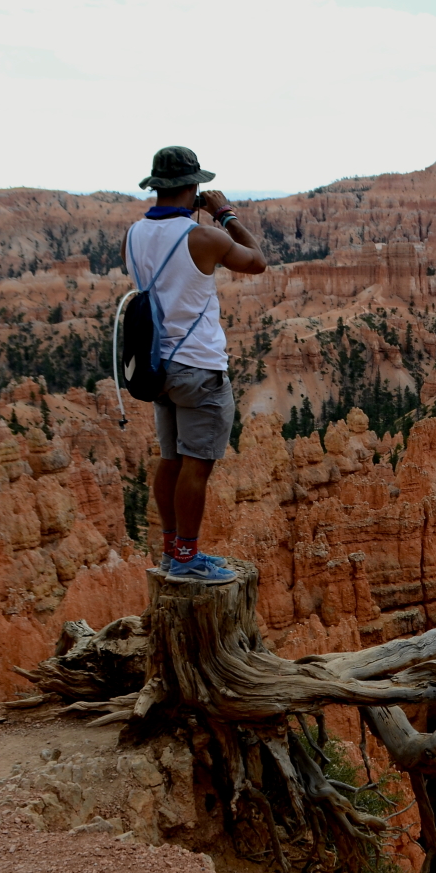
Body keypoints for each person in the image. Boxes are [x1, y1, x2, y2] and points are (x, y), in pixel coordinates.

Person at [126, 146, 268, 584]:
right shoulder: (201, 236)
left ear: (156, 187)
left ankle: (171, 551)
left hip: (157, 367)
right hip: (199, 368)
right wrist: (224, 212)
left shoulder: (134, 233)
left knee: (170, 460)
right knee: (196, 465)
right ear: (193, 188)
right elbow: (257, 261)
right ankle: (188, 558)